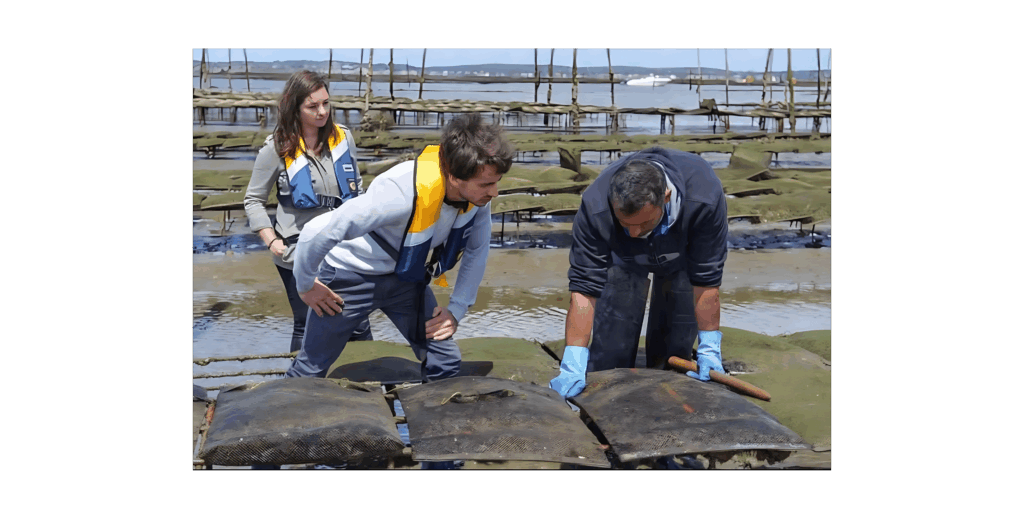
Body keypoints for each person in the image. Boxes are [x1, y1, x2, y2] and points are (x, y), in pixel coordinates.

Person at [288, 113, 514, 469]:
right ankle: (272, 452)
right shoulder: (397, 194)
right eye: (487, 184)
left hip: (408, 280)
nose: (494, 192)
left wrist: (456, 310)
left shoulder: (476, 201)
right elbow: (320, 233)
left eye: (497, 182)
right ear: (455, 176)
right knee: (311, 367)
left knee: (445, 359)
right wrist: (306, 286)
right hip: (351, 274)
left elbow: (476, 252)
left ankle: (439, 456)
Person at [550, 146, 729, 402]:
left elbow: (706, 281)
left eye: (643, 223)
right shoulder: (596, 206)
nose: (634, 233)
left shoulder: (704, 198)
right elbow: (584, 289)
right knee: (610, 355)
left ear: (665, 198)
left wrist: (710, 347)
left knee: (672, 354)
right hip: (622, 258)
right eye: (626, 224)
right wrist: (573, 360)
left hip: (681, 256)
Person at [244, 70, 372, 355]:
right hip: (296, 251)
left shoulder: (344, 139)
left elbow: (358, 192)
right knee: (307, 323)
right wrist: (273, 242)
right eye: (312, 106)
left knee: (359, 323)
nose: (322, 111)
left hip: (343, 249)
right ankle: (300, 394)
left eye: (325, 103)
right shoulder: (276, 148)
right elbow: (253, 200)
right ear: (295, 107)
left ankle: (373, 393)